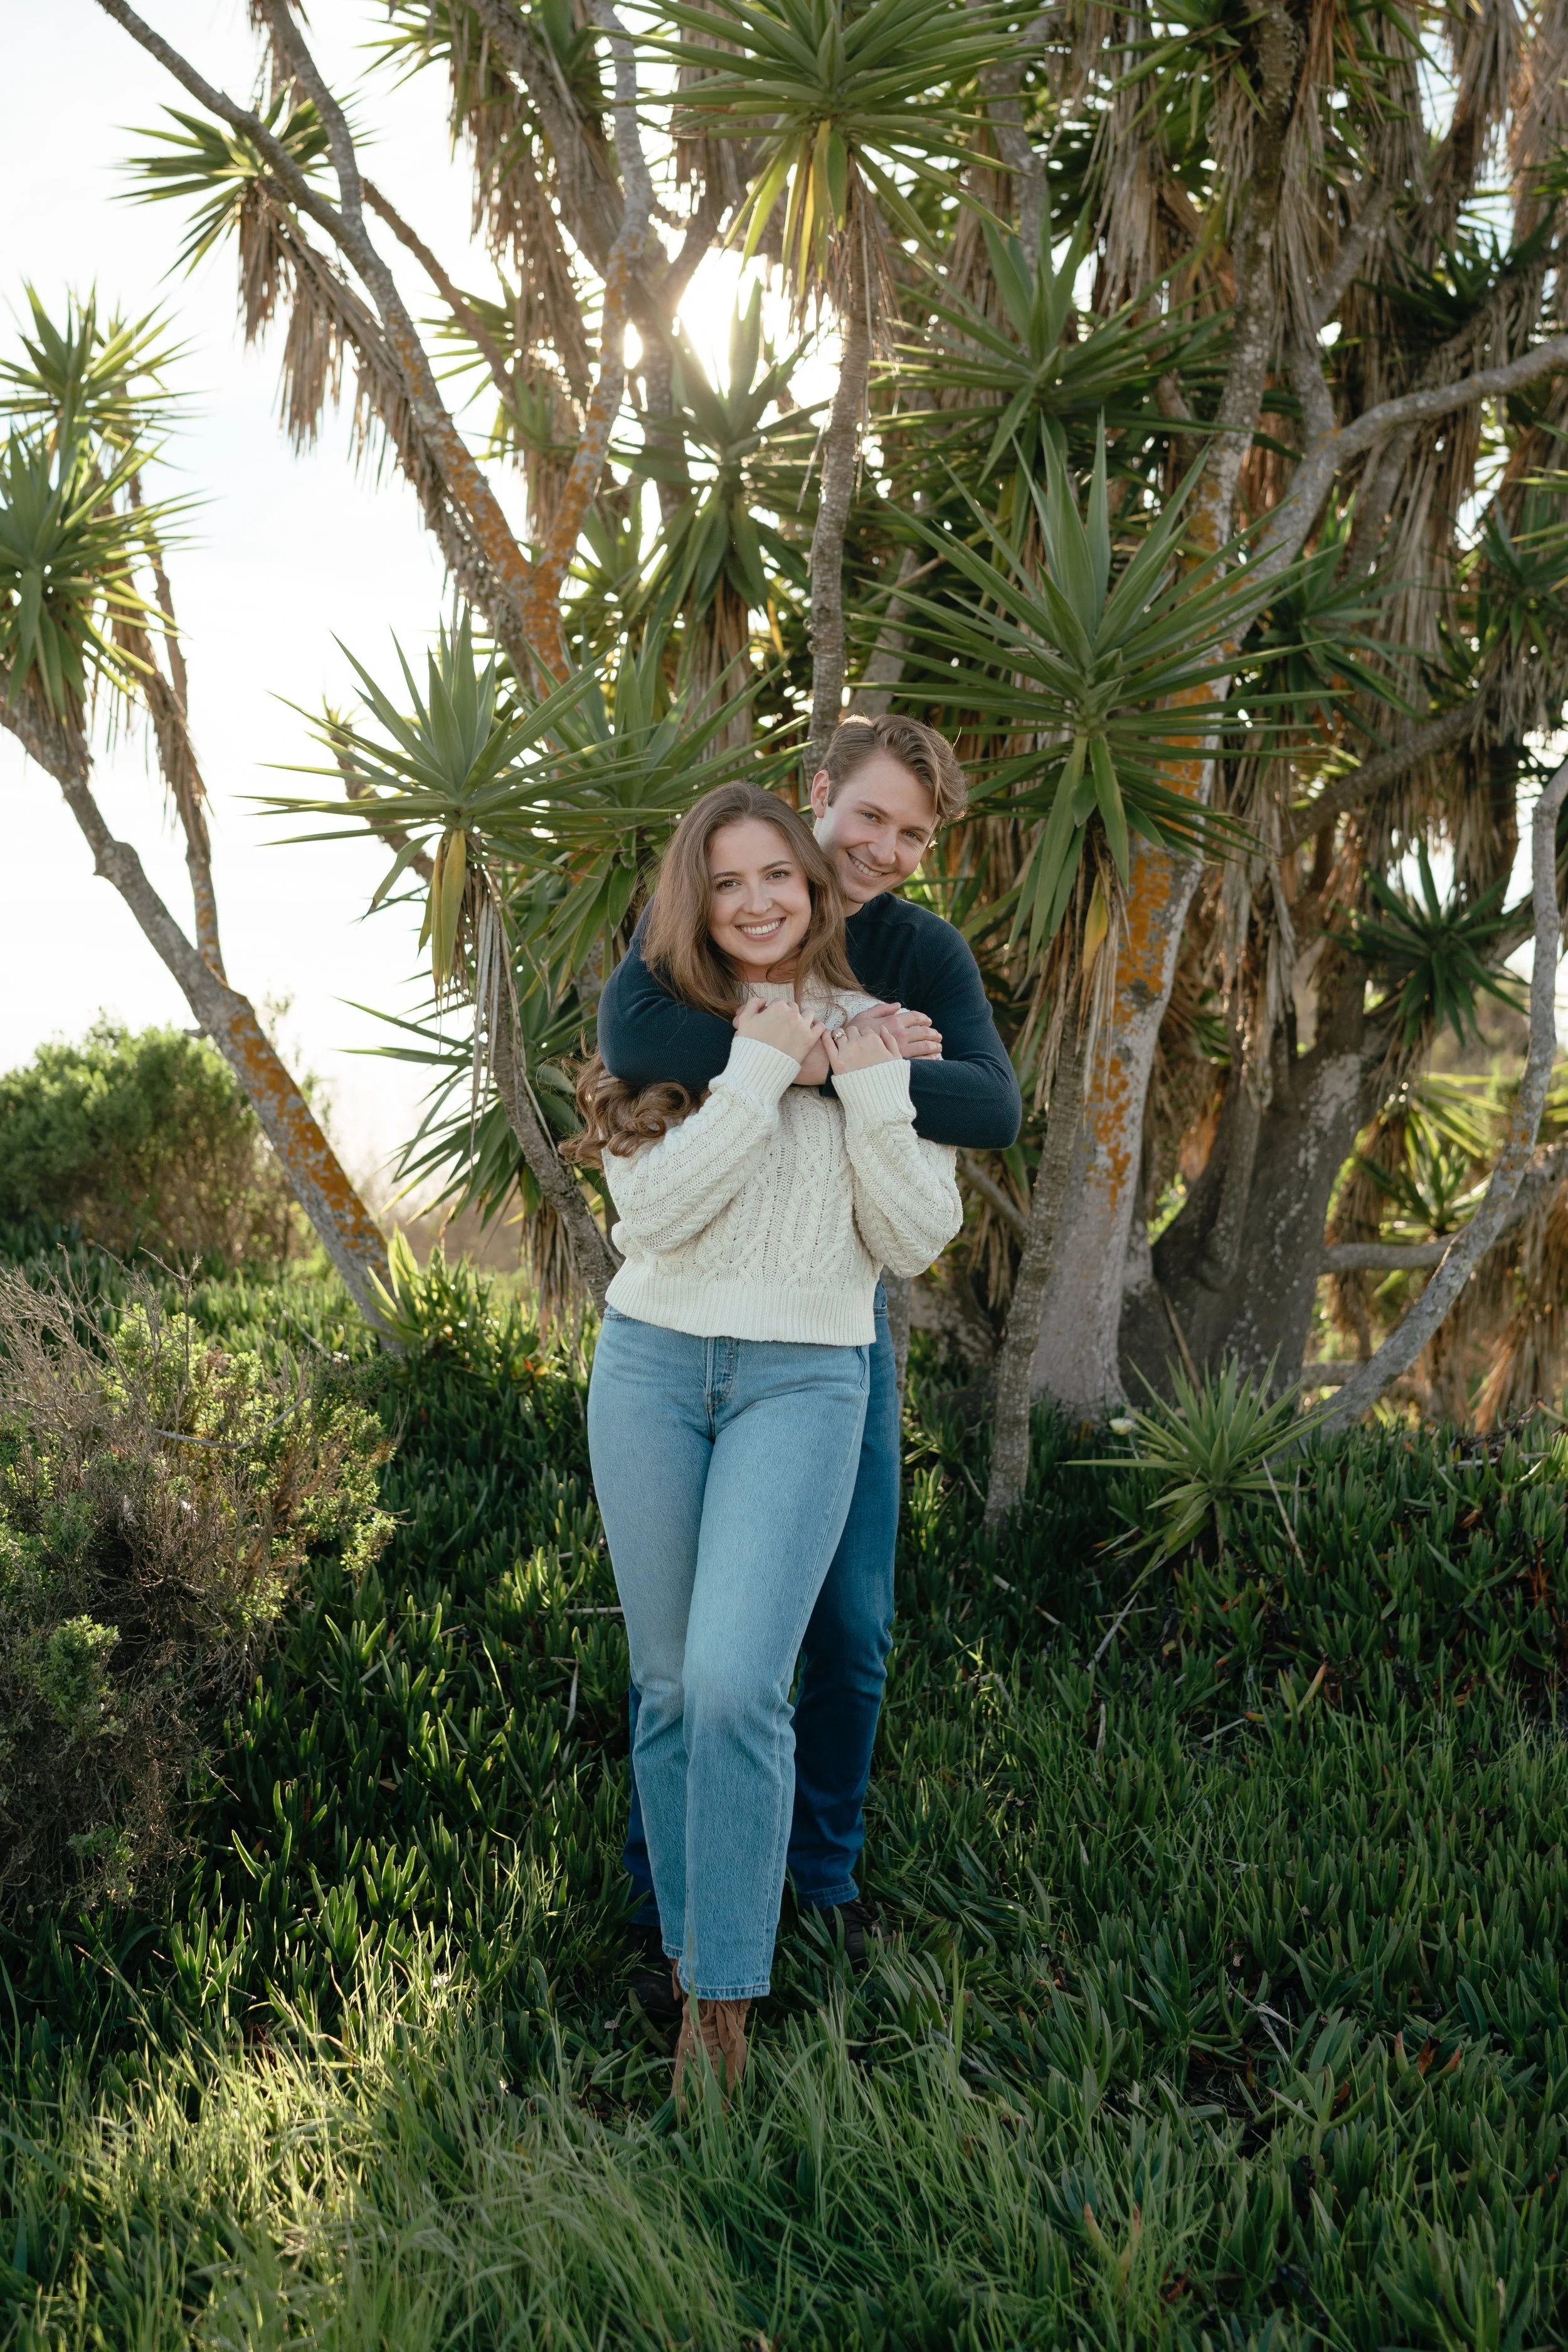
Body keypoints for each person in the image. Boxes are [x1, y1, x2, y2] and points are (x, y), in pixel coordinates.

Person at [598, 716, 1022, 2007]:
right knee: (682, 1665)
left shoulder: (912, 954)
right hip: (677, 1331)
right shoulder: (697, 926)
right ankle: (669, 1903)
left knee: (844, 1623)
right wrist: (800, 1058)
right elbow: (640, 1050)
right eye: (868, 819)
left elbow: (989, 1108)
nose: (884, 850)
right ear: (815, 797)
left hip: (832, 1330)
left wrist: (842, 1064)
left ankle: (816, 1883)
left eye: (914, 834)